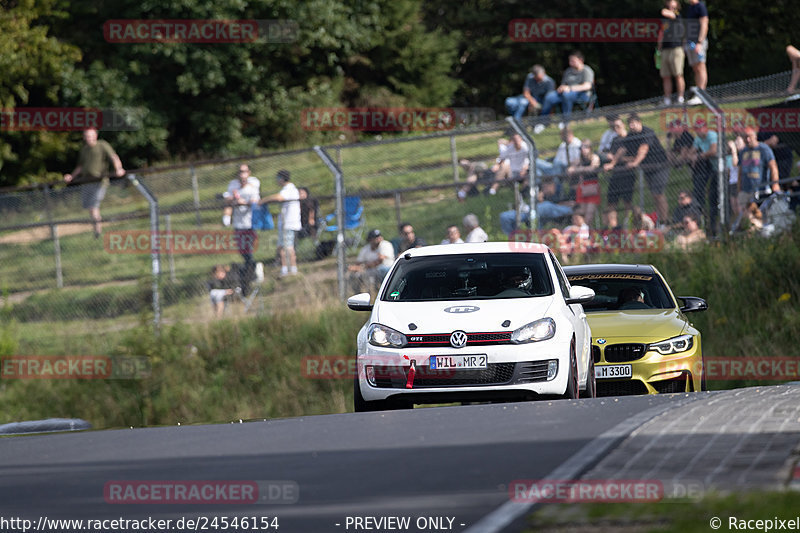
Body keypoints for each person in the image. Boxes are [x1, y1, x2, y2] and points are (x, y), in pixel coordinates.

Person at [63, 127, 125, 238]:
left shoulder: (102, 145)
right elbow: (80, 167)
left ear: (95, 136)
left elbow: (113, 157)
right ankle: (96, 228)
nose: (89, 138)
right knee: (90, 208)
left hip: (99, 181)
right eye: (87, 136)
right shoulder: (84, 150)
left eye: (91, 136)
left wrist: (118, 169)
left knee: (93, 206)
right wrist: (71, 176)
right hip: (86, 182)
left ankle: (97, 230)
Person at [625, 113, 670, 225]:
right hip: (648, 169)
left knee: (658, 194)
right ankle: (659, 219)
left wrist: (635, 162)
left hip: (660, 166)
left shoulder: (647, 132)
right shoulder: (631, 136)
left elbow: (643, 149)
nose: (631, 126)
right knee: (654, 195)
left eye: (633, 123)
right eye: (629, 124)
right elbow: (623, 149)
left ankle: (665, 221)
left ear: (639, 122)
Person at [534, 50, 595, 133]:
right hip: (565, 93)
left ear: (580, 60)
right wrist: (561, 88)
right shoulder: (568, 71)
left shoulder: (587, 70)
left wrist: (569, 88)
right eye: (570, 61)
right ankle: (543, 122)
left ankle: (565, 121)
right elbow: (563, 84)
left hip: (582, 95)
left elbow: (587, 86)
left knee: (567, 95)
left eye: (573, 61)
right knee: (549, 97)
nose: (570, 63)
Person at [224, 163, 260, 292]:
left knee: (248, 248)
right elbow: (227, 200)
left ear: (248, 172)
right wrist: (233, 200)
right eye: (240, 171)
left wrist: (243, 202)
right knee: (241, 249)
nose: (242, 174)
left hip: (250, 222)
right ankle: (250, 268)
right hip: (238, 223)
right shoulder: (233, 185)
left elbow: (255, 200)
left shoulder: (253, 184)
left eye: (244, 171)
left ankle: (252, 270)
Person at [499, 176, 573, 235]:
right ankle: (514, 239)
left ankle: (529, 211)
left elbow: (571, 202)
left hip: (559, 209)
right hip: (535, 212)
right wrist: (540, 199)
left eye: (546, 187)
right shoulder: (544, 195)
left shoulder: (561, 190)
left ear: (552, 185)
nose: (544, 189)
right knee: (504, 217)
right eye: (543, 187)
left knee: (545, 206)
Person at [260, 169, 301, 276]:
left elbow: (279, 197)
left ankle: (289, 269)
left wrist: (264, 200)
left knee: (287, 247)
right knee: (282, 247)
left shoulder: (288, 189)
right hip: (287, 223)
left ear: (281, 179)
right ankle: (286, 268)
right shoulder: (290, 189)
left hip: (288, 223)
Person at [602, 117, 635, 230]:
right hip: (615, 174)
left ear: (623, 126)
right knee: (611, 203)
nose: (616, 129)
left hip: (627, 174)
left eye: (618, 126)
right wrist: (611, 157)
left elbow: (633, 157)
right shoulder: (615, 139)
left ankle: (628, 226)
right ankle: (614, 228)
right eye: (614, 127)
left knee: (627, 203)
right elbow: (611, 154)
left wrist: (619, 159)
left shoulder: (630, 138)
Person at [737, 128, 781, 211]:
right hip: (745, 191)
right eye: (745, 137)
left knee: (762, 215)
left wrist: (775, 184)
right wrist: (739, 189)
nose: (748, 140)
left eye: (749, 137)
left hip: (761, 190)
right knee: (745, 217)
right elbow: (740, 171)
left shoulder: (764, 149)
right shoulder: (743, 152)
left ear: (755, 136)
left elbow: (773, 167)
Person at [687, 118, 718, 234]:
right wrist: (693, 156)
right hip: (713, 168)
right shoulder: (698, 139)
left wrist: (699, 156)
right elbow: (691, 152)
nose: (699, 132)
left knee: (716, 196)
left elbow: (713, 150)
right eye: (697, 130)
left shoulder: (712, 135)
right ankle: (707, 221)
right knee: (708, 195)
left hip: (723, 167)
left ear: (705, 128)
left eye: (701, 129)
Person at [657, 0, 686, 105]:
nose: (670, 5)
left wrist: (668, 10)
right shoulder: (664, 20)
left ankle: (680, 98)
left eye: (673, 3)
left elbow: (665, 12)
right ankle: (667, 99)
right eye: (669, 2)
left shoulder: (677, 15)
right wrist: (659, 47)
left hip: (676, 48)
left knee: (678, 74)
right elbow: (661, 32)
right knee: (666, 76)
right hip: (665, 49)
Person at [348, 229, 395, 293]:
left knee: (379, 270)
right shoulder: (366, 248)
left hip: (386, 269)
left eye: (379, 236)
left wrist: (362, 267)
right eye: (375, 237)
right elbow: (358, 262)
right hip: (370, 269)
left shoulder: (385, 245)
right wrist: (355, 268)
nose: (378, 238)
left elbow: (379, 261)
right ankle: (358, 295)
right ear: (370, 239)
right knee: (355, 275)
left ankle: (379, 293)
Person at [567, 139, 601, 226]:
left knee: (589, 215)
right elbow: (570, 170)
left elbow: (592, 168)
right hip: (582, 187)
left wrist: (578, 170)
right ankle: (583, 233)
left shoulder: (594, 157)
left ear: (590, 148)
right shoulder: (579, 160)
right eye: (581, 147)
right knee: (580, 212)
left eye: (585, 147)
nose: (583, 149)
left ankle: (587, 231)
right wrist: (581, 169)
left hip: (592, 187)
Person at [683, 0, 710, 104]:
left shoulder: (700, 6)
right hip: (690, 43)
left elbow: (704, 24)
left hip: (698, 43)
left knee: (700, 66)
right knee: (695, 68)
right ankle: (698, 94)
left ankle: (702, 95)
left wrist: (699, 41)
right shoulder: (690, 8)